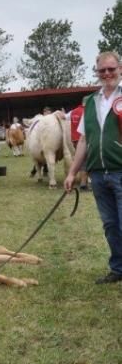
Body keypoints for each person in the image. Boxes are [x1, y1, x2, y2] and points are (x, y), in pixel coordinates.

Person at [65, 51, 122, 283]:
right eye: (102, 70)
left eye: (111, 69)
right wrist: (72, 172)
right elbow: (84, 141)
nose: (107, 73)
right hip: (98, 174)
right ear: (97, 72)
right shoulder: (90, 102)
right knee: (110, 225)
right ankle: (118, 269)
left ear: (120, 68)